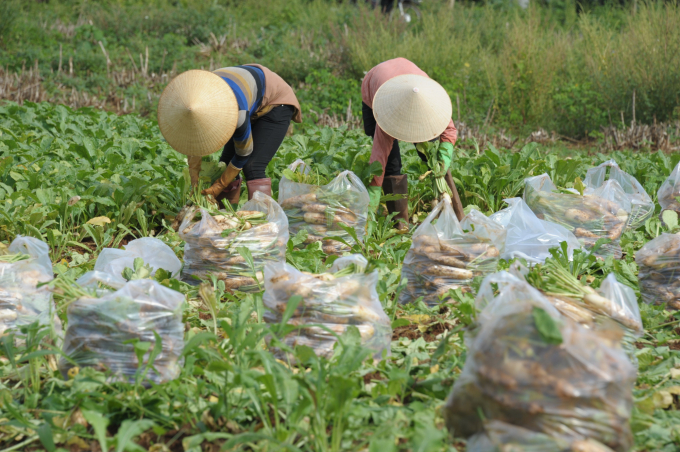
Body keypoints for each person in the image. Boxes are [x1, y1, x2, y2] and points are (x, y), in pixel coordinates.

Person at [157, 65, 301, 205]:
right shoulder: (194, 101)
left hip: (276, 102)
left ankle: (263, 220)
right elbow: (193, 144)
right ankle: (224, 216)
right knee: (225, 165)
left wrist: (219, 185)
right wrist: (194, 181)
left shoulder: (237, 113)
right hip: (247, 92)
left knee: (253, 166)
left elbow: (243, 153)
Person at [362, 57, 465, 229]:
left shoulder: (431, 101)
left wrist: (443, 159)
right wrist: (371, 203)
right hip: (377, 85)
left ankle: (456, 215)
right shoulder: (387, 112)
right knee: (391, 163)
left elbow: (449, 131)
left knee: (431, 152)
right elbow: (378, 159)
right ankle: (400, 224)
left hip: (412, 83)